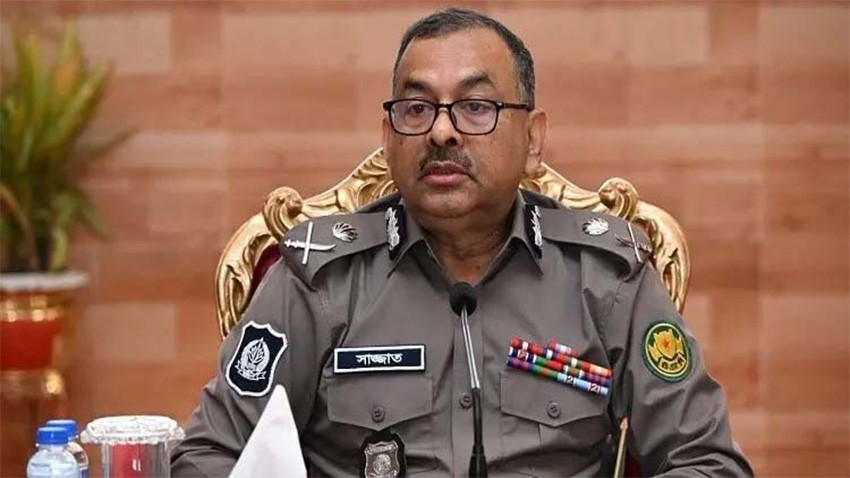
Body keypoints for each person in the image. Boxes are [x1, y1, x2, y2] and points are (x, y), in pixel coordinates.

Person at [172, 8, 753, 477]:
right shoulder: (318, 280)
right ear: (388, 138)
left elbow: (708, 462)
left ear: (533, 139)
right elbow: (207, 457)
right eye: (417, 108)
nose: (442, 130)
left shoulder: (604, 277)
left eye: (476, 107)